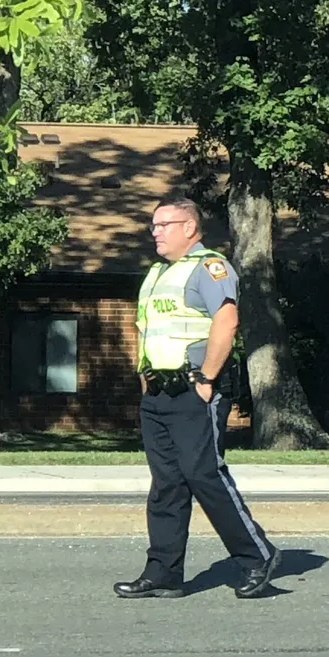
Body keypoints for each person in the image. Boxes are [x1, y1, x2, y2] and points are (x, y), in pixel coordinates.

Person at [114, 195, 281, 600]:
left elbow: (227, 321)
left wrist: (206, 378)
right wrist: (144, 374)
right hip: (158, 393)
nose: (154, 232)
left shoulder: (211, 267)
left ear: (188, 227)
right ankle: (164, 573)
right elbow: (147, 329)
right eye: (153, 225)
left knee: (203, 473)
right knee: (167, 483)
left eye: (162, 224)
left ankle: (258, 557)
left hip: (194, 389)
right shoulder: (156, 273)